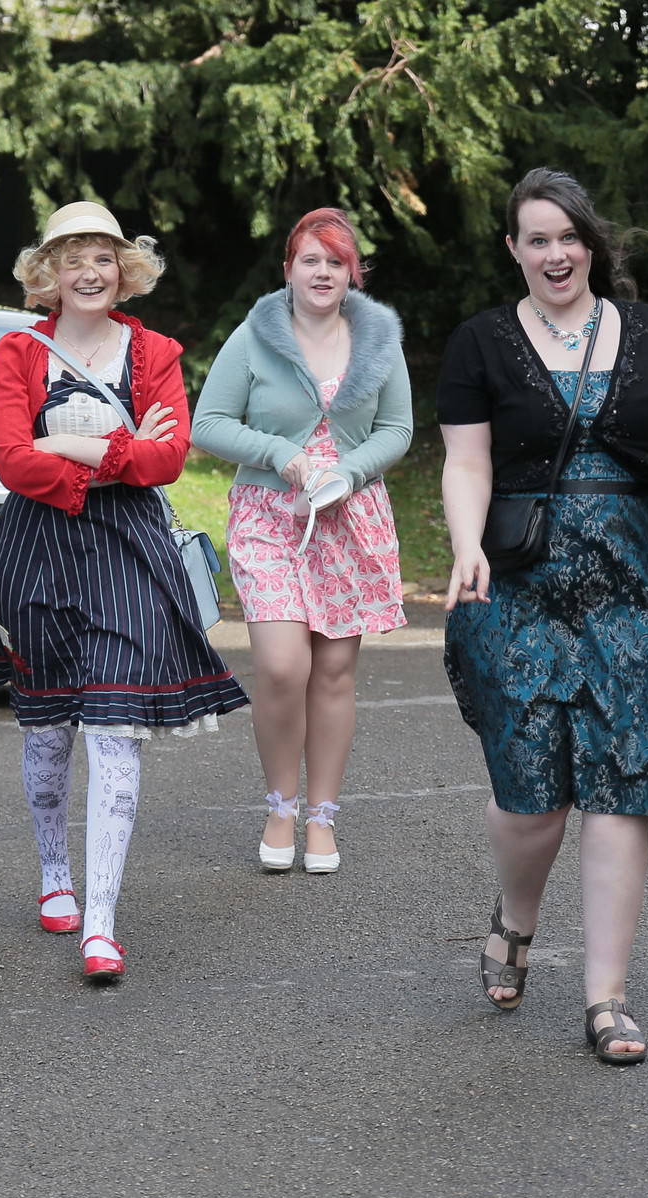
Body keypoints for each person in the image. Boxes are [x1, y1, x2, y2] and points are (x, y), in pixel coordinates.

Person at [437, 167, 648, 1065]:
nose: (556, 254)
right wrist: (465, 544)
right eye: (538, 239)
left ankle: (607, 997)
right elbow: (467, 462)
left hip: (635, 584)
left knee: (621, 784)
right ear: (514, 250)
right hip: (519, 583)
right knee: (532, 798)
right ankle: (515, 918)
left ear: (591, 245)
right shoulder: (481, 342)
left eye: (569, 237)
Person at [0, 201, 248, 982]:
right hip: (36, 551)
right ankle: (54, 874)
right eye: (73, 258)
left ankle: (101, 924)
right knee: (48, 730)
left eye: (103, 258)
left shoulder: (156, 352)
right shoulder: (16, 353)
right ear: (47, 273)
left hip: (129, 553)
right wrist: (123, 449)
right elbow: (12, 462)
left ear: (124, 271)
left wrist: (66, 441)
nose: (89, 272)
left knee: (114, 728)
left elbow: (169, 461)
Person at [191, 208, 412, 874]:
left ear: (353, 272)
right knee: (284, 666)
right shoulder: (255, 336)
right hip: (268, 516)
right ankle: (280, 805)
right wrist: (282, 455)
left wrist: (349, 471)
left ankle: (322, 817)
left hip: (350, 519)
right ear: (288, 268)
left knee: (335, 672)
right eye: (310, 259)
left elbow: (397, 429)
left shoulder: (378, 339)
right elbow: (208, 423)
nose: (322, 272)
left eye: (336, 261)